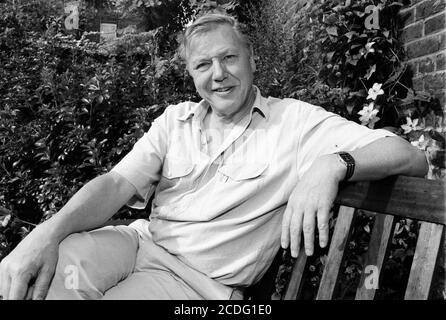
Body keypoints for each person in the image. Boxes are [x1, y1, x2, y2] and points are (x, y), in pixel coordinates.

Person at [0, 12, 428, 300]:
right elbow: (115, 185)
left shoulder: (295, 124)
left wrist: (333, 164)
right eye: (203, 64)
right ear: (190, 74)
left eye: (229, 58)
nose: (218, 74)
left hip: (199, 288)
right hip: (138, 243)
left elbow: (410, 156)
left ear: (252, 61)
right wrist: (46, 234)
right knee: (42, 271)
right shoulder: (175, 121)